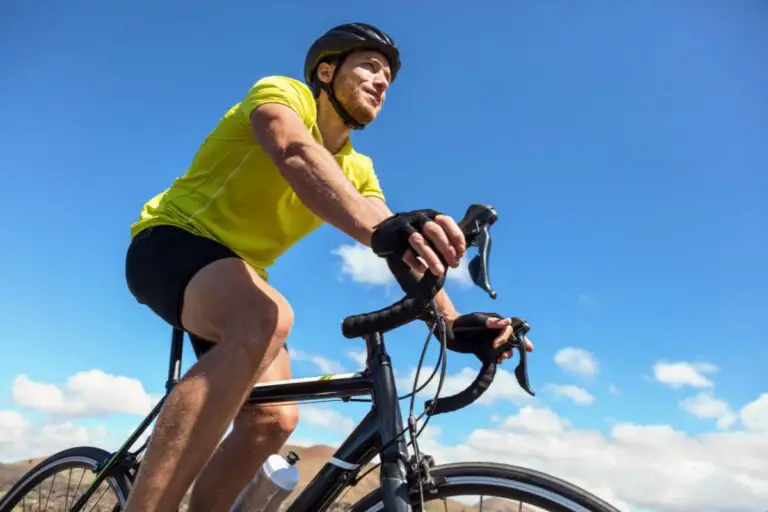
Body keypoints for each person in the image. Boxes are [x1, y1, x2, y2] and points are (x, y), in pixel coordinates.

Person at [123, 22, 533, 511]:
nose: (383, 82)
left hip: (239, 273)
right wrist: (387, 230)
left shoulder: (360, 169)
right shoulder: (283, 94)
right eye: (371, 66)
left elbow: (389, 233)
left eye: (389, 78)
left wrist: (453, 323)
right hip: (171, 239)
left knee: (274, 420)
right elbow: (294, 152)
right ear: (326, 69)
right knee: (266, 316)